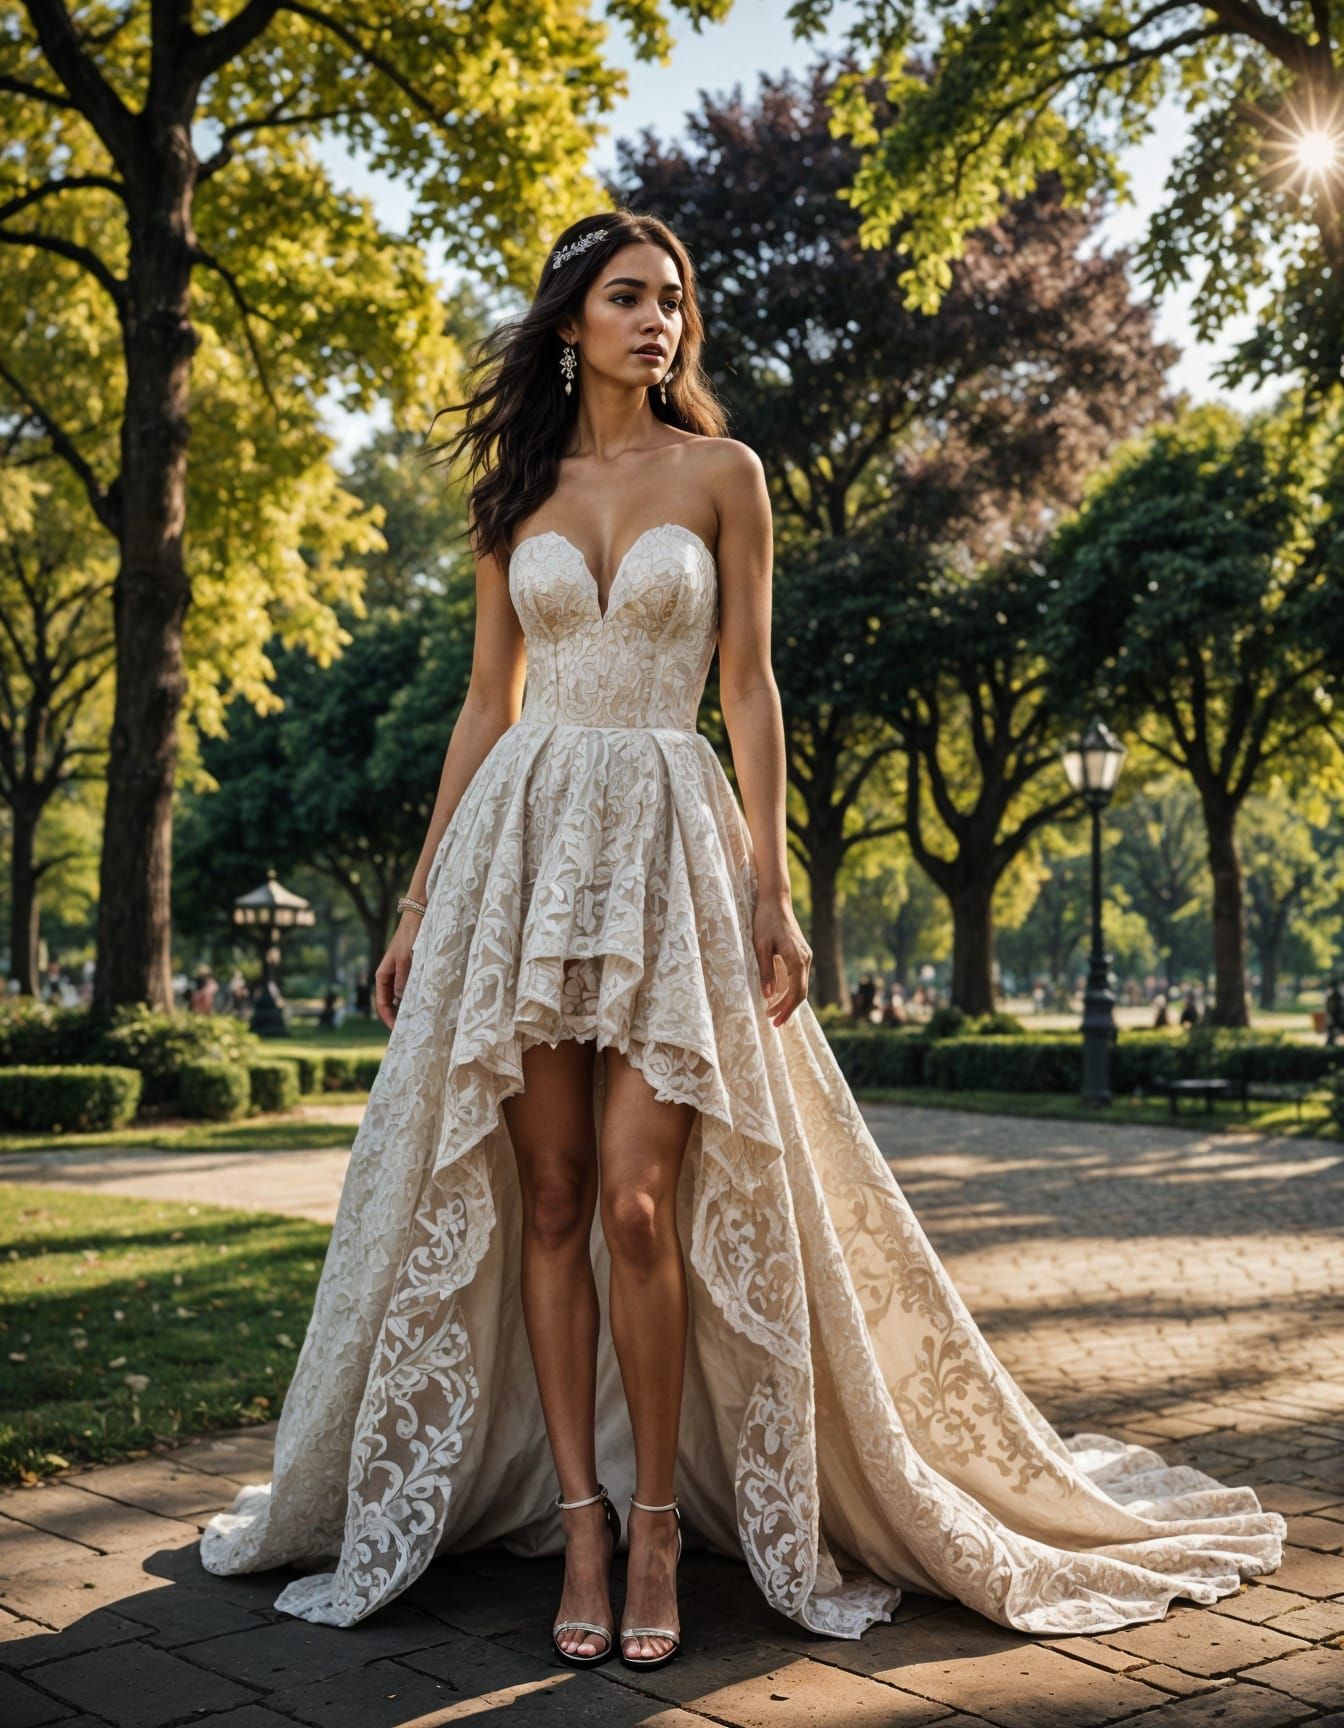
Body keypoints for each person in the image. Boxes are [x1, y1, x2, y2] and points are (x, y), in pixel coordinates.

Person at [200, 210, 1283, 1666]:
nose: (660, 321)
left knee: (645, 1202)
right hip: (522, 852)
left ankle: (658, 1523)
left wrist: (771, 889)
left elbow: (754, 691)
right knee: (554, 1197)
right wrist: (416, 899)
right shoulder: (514, 488)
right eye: (627, 297)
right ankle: (579, 1517)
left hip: (668, 842)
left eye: (676, 301)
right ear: (572, 319)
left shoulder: (726, 474)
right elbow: (482, 702)